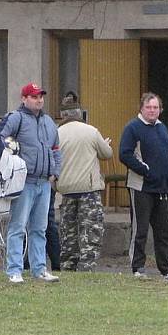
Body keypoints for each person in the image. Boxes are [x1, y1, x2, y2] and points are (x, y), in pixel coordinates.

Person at [0, 83, 61, 283]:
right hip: (24, 182)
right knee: (18, 226)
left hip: (44, 182)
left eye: (40, 96)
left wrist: (54, 172)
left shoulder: (48, 122)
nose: (39, 100)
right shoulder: (16, 118)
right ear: (24, 99)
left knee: (40, 228)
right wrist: (4, 164)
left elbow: (56, 148)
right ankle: (14, 269)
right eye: (33, 96)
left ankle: (39, 268)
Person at [119, 92, 168, 283]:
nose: (152, 111)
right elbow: (125, 154)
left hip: (162, 188)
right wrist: (145, 170)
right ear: (141, 108)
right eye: (149, 107)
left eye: (155, 107)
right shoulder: (133, 128)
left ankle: (166, 270)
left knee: (165, 231)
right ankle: (138, 267)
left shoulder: (163, 129)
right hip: (141, 187)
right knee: (140, 230)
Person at [56, 92, 113, 272]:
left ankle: (67, 264)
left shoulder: (56, 133)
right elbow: (107, 154)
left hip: (65, 188)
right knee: (90, 229)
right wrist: (105, 144)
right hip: (88, 189)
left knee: (68, 231)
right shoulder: (91, 131)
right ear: (80, 113)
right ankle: (87, 265)